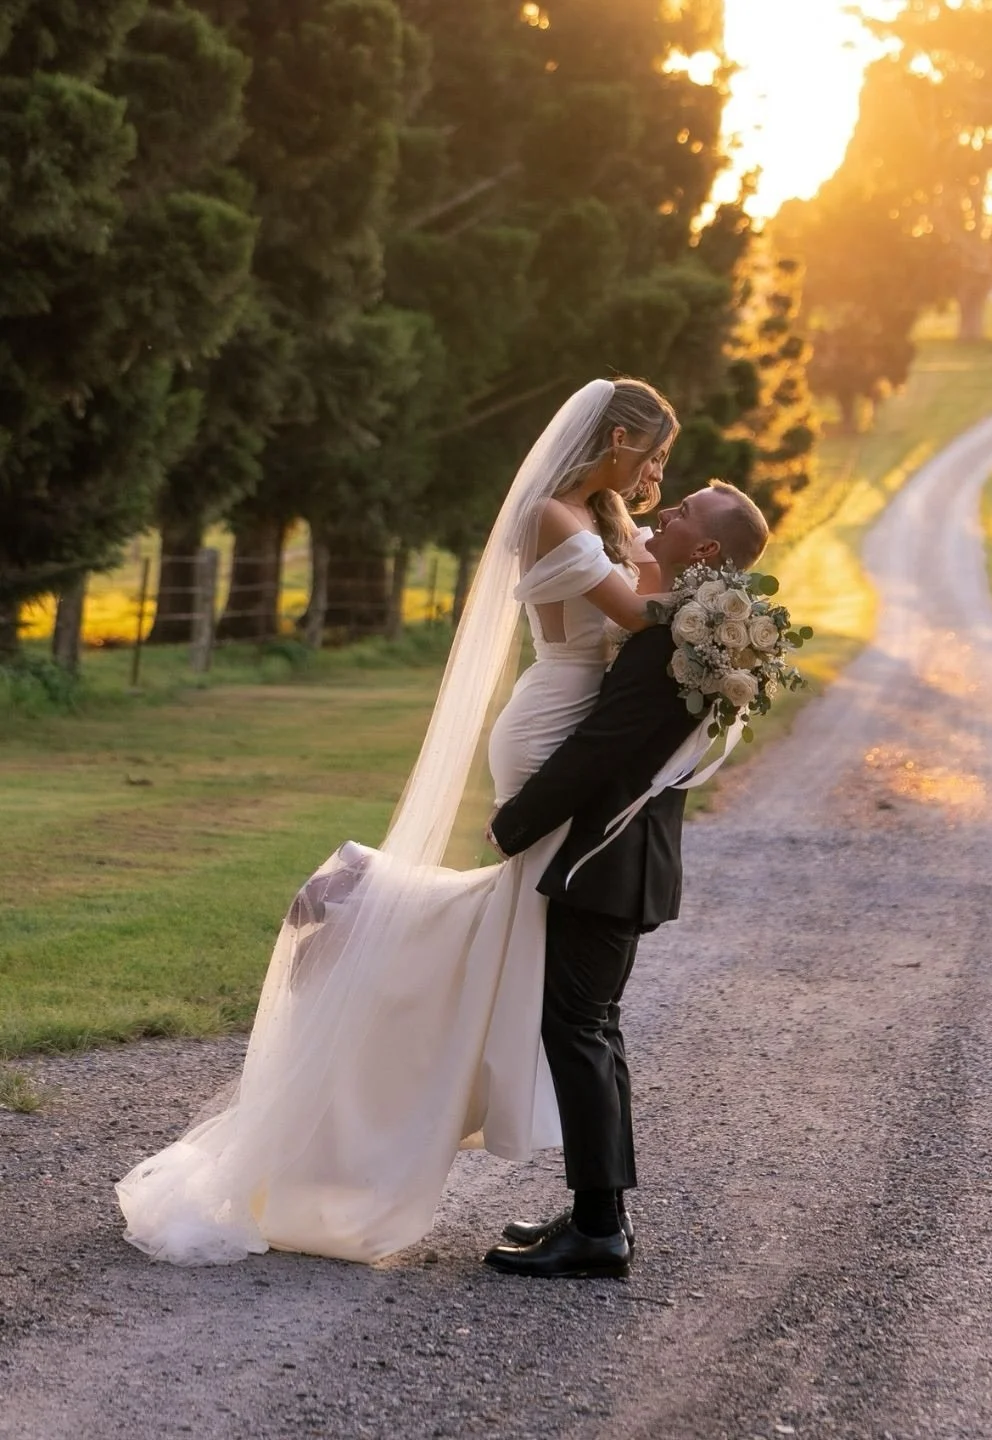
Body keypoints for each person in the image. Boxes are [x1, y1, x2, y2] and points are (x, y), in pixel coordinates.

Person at [116, 377, 683, 1266]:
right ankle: (365, 925)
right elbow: (642, 616)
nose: (656, 472)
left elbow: (647, 590)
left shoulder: (602, 516)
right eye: (652, 454)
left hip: (577, 723)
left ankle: (590, 1207)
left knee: (520, 945)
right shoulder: (552, 517)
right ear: (615, 439)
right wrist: (730, 623)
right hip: (548, 730)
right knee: (535, 955)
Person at [483, 482, 770, 1279]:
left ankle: (601, 1230)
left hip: (611, 863)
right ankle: (594, 1215)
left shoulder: (672, 642)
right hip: (628, 863)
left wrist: (512, 825)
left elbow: (600, 749)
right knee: (590, 1029)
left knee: (579, 1030)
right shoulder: (696, 633)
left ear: (706, 552)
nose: (665, 515)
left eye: (682, 515)